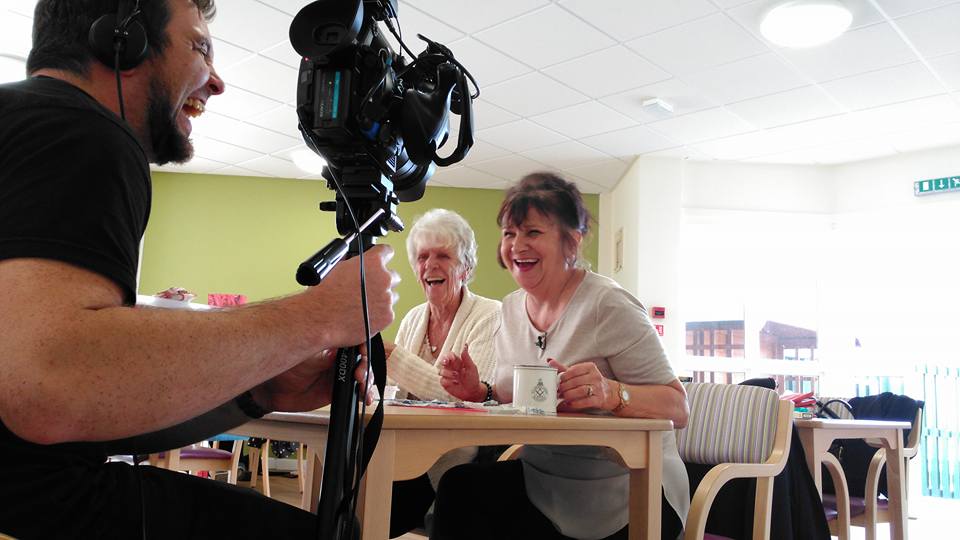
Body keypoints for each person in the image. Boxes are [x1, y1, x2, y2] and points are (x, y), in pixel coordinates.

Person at [0, 1, 399, 538]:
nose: (217, 83)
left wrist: (266, 391)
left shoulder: (27, 122)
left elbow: (84, 403)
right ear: (124, 40)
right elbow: (47, 387)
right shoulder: (83, 132)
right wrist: (321, 316)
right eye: (199, 47)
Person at [435, 172, 690, 540]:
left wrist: (611, 393)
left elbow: (677, 407)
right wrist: (481, 392)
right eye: (510, 233)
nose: (517, 245)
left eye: (533, 232)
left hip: (630, 489)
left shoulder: (607, 304)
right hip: (543, 483)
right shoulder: (508, 310)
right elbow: (523, 397)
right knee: (459, 487)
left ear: (572, 241)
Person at [383, 208, 500, 537]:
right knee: (348, 490)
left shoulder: (490, 315)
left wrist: (393, 357)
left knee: (368, 508)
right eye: (422, 257)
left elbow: (467, 398)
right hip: (402, 453)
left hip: (456, 462)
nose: (430, 265)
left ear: (466, 267)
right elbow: (393, 394)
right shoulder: (412, 319)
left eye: (443, 256)